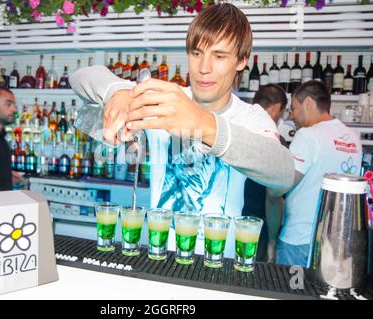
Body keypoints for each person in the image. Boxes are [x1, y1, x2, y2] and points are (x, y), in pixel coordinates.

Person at [70, 3, 295, 258]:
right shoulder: (167, 100)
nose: (204, 67)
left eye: (219, 56)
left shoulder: (250, 117)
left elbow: (284, 173)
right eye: (197, 53)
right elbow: (81, 77)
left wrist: (203, 124)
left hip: (220, 266)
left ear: (242, 60)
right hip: (160, 258)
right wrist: (116, 91)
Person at [267, 80, 362, 267]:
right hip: (336, 245)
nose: (292, 116)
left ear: (309, 103)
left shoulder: (308, 136)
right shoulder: (352, 138)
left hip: (299, 240)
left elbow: (280, 185)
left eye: (293, 109)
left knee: (291, 294)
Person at [241, 84, 288, 262]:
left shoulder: (237, 131)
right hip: (257, 227)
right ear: (277, 108)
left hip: (229, 222)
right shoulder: (275, 142)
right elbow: (273, 197)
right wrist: (272, 241)